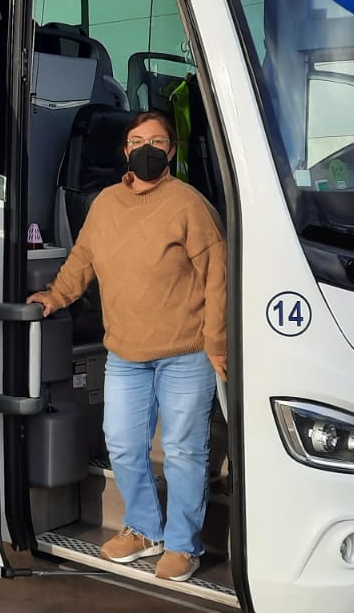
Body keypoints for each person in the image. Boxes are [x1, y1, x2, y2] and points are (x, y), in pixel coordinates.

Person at [27, 109, 226, 582]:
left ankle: (182, 545)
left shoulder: (190, 205)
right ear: (125, 151)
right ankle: (143, 529)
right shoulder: (106, 204)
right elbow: (83, 258)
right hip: (125, 354)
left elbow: (218, 280)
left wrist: (217, 344)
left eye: (157, 141)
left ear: (172, 151)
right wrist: (56, 296)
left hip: (186, 352)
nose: (147, 149)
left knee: (182, 450)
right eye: (137, 141)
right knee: (122, 443)